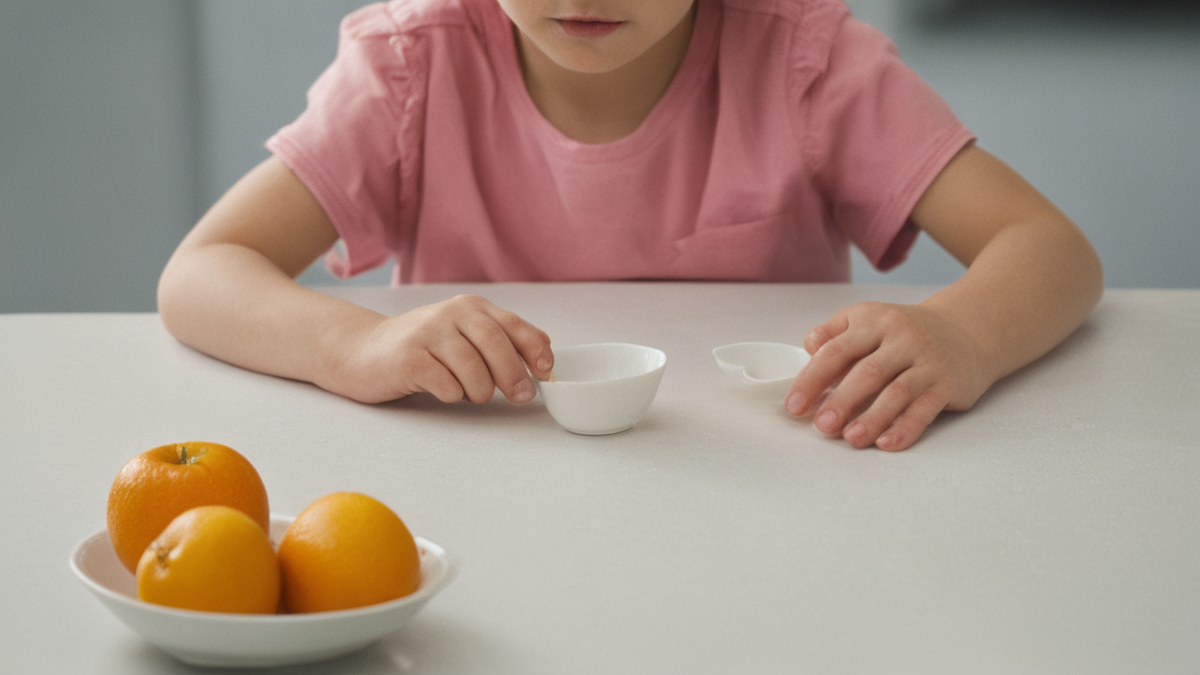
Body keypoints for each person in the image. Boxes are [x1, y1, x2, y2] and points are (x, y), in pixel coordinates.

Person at [157, 0, 1103, 452]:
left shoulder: (805, 61)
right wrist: (357, 346)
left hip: (770, 495)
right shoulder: (410, 68)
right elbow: (201, 272)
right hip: (481, 491)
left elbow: (1052, 248)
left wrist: (964, 335)